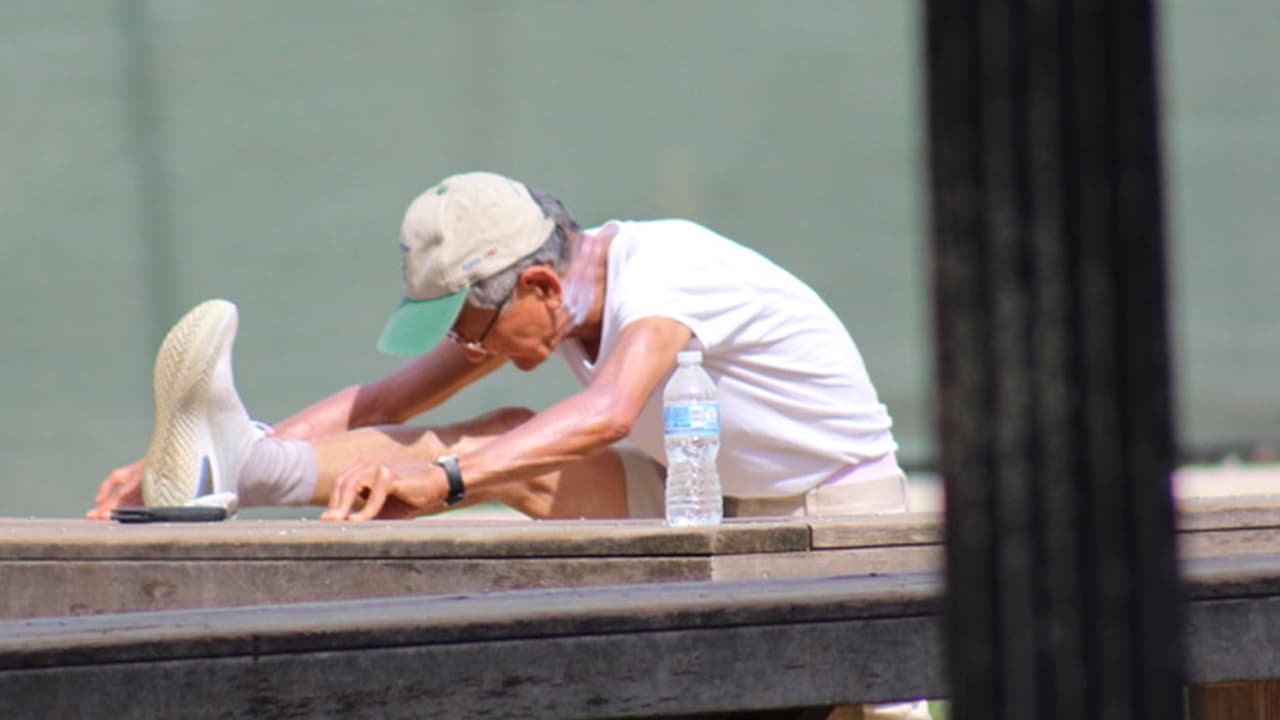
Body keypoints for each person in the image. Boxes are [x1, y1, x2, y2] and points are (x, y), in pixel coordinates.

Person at [88, 170, 929, 719]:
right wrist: (210, 458)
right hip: (698, 495)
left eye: (472, 322)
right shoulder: (542, 297)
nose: (469, 344)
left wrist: (447, 481)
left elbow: (606, 412)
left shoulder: (669, 271)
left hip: (839, 519)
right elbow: (387, 400)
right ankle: (243, 461)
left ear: (538, 282)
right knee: (504, 436)